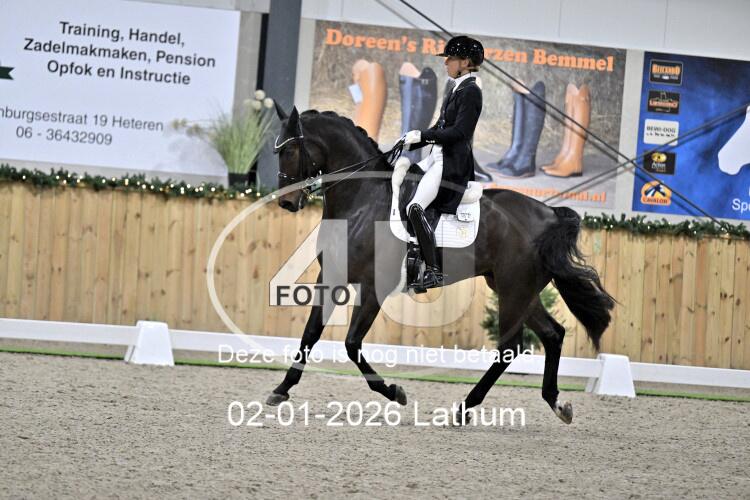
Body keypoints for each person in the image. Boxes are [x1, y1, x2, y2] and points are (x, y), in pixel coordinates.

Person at [402, 35, 484, 290]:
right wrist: (413, 140)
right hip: (436, 156)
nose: (446, 62)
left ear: (465, 62)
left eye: (451, 58)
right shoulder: (456, 88)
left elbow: (460, 133)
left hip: (451, 163)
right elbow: (440, 126)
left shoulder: (471, 92)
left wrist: (424, 136)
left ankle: (433, 269)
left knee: (415, 207)